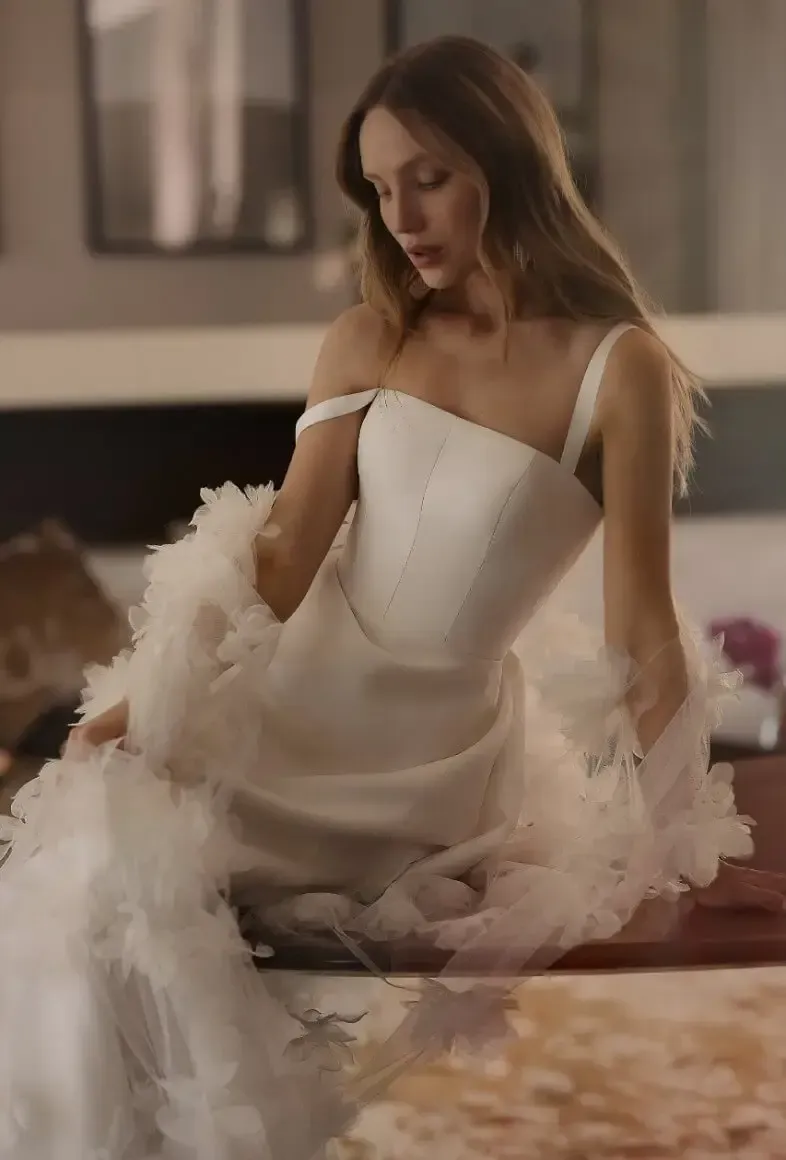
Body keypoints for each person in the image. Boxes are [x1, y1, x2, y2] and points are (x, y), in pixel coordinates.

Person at [1, 34, 784, 1160]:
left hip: (428, 763)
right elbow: (282, 556)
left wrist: (687, 851)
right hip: (291, 703)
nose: (402, 214)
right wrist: (159, 696)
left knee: (137, 880)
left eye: (430, 175)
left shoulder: (621, 370)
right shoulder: (370, 334)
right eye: (379, 186)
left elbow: (645, 627)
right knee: (87, 860)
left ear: (504, 161)